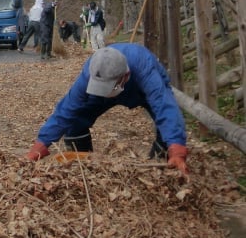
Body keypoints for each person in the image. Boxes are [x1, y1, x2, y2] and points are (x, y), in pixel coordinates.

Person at [25, 44, 189, 175]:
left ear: (125, 76)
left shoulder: (145, 69)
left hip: (138, 89)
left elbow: (163, 105)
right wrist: (41, 144)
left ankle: (158, 168)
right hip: (101, 92)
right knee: (74, 122)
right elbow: (66, 109)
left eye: (108, 87)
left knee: (165, 132)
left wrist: (177, 148)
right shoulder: (91, 71)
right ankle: (84, 168)